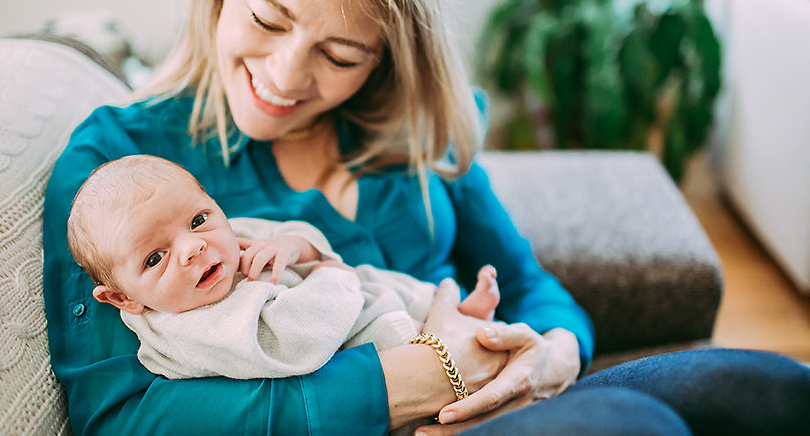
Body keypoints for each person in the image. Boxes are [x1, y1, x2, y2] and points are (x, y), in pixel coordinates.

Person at [42, 0, 810, 436]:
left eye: (341, 53)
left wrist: (555, 355)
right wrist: (415, 377)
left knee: (784, 401)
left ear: (388, 55)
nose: (288, 77)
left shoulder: (418, 132)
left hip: (494, 409)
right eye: (267, 18)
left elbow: (535, 289)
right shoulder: (119, 170)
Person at [66, 153, 498, 381]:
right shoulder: (193, 329)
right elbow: (294, 339)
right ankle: (463, 327)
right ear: (122, 298)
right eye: (155, 258)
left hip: (381, 306)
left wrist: (297, 246)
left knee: (393, 286)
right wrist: (334, 275)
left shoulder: (224, 236)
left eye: (198, 219)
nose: (193, 248)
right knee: (376, 293)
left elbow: (290, 234)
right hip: (387, 349)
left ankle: (463, 316)